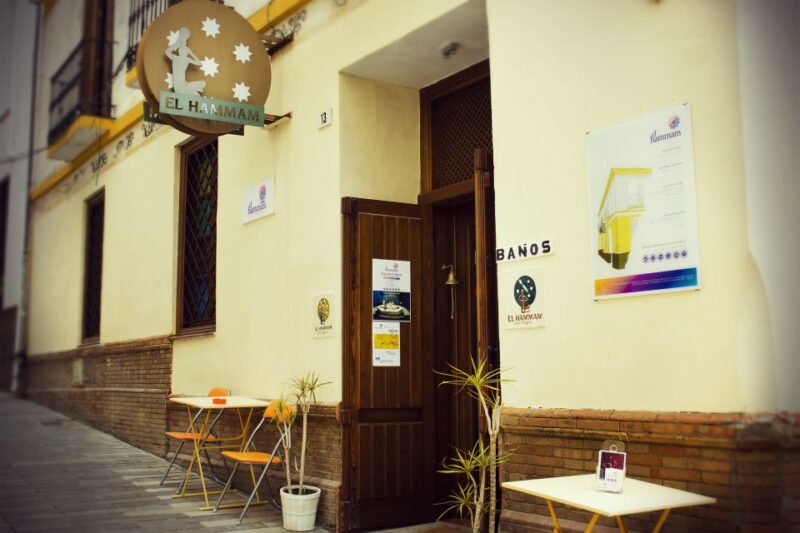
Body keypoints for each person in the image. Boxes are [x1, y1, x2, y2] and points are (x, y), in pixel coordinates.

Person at [165, 27, 206, 96]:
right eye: (183, 50)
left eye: (186, 51)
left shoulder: (186, 59)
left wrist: (191, 53)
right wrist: (177, 43)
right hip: (179, 88)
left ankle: (191, 91)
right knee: (199, 88)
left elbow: (199, 63)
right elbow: (167, 52)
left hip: (184, 85)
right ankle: (191, 90)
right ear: (179, 51)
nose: (184, 51)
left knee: (201, 87)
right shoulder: (176, 58)